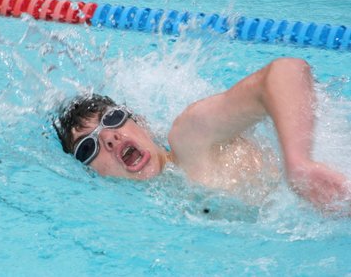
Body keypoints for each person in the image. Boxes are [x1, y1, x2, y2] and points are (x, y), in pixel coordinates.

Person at [54, 57, 350, 212]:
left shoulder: (189, 138)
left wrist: (299, 163)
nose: (109, 139)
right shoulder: (163, 209)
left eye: (113, 119)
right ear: (89, 174)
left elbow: (287, 71)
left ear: (140, 121)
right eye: (87, 148)